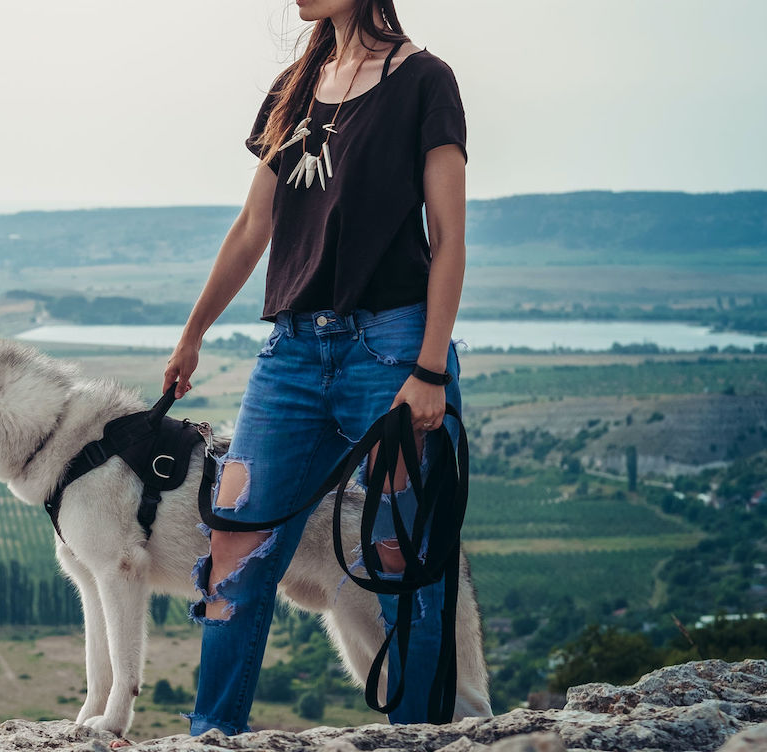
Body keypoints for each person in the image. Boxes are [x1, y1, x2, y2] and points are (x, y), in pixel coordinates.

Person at [159, 0, 468, 737]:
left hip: (391, 348)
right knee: (234, 545)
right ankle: (214, 736)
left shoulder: (424, 81)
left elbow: (448, 236)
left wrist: (427, 367)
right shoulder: (291, 88)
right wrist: (192, 333)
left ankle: (418, 735)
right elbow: (252, 228)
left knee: (405, 561)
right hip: (291, 353)